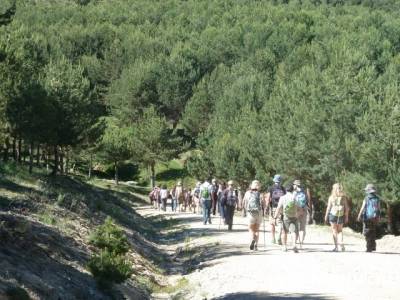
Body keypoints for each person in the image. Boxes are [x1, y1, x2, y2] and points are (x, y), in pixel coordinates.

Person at [324, 183, 350, 252]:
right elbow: (347, 208)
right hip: (340, 215)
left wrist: (326, 216)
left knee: (334, 231)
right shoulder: (344, 197)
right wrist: (346, 217)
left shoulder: (331, 197)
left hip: (333, 215)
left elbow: (328, 208)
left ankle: (336, 247)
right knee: (340, 231)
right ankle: (341, 242)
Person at [274, 184, 299, 252]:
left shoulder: (283, 197)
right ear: (292, 190)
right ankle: (294, 245)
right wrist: (297, 214)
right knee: (293, 231)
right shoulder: (295, 197)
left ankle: (284, 246)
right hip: (294, 216)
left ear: (286, 190)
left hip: (286, 217)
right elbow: (298, 207)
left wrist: (275, 217)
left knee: (284, 232)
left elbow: (279, 208)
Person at [357, 184, 380, 252]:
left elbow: (362, 207)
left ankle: (369, 247)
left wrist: (359, 215)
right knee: (372, 231)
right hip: (374, 217)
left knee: (366, 232)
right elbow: (379, 209)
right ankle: (373, 246)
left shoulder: (367, 198)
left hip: (367, 217)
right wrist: (378, 217)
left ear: (368, 191)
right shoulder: (377, 198)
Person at [265, 174, 286, 244]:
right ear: (280, 181)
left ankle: (273, 238)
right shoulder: (283, 188)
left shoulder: (270, 188)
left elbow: (268, 199)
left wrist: (266, 208)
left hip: (273, 207)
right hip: (281, 208)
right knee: (280, 223)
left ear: (274, 180)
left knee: (272, 223)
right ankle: (279, 237)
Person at [244, 180, 263, 251]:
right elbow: (263, 204)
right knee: (257, 229)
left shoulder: (247, 193)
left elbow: (245, 203)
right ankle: (256, 246)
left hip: (250, 213)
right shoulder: (260, 194)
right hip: (259, 213)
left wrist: (246, 210)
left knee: (251, 229)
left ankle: (252, 239)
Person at [293, 179, 311, 249]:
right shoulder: (305, 191)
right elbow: (308, 200)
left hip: (296, 210)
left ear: (295, 185)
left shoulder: (293, 192)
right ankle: (301, 243)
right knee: (302, 227)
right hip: (304, 209)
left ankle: (295, 242)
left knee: (295, 227)